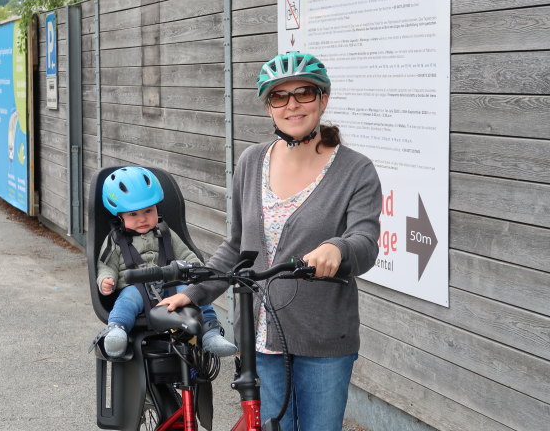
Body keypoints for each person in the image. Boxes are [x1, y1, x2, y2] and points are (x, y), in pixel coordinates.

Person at [158, 52, 382, 430]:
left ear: (323, 99)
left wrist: (338, 248)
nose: (292, 105)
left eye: (304, 93)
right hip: (261, 339)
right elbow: (236, 249)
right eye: (280, 97)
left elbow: (366, 241)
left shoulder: (355, 169)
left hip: (324, 338)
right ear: (269, 107)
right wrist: (194, 292)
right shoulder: (251, 161)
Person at [94, 166, 237, 358]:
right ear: (119, 217)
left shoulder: (165, 233)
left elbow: (186, 254)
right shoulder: (115, 240)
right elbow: (106, 265)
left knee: (195, 295)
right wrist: (106, 280)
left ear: (157, 209)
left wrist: (197, 271)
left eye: (148, 211)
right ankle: (116, 331)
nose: (143, 218)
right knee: (126, 302)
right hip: (135, 288)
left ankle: (210, 334)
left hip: (172, 287)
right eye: (133, 214)